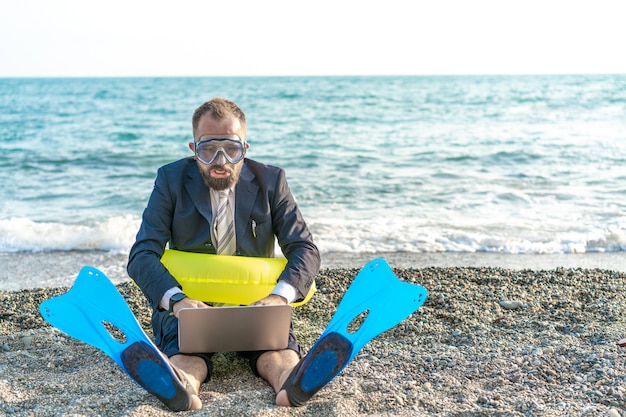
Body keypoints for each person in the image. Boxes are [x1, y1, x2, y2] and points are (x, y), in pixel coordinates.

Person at [127, 97, 320, 411]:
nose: (220, 160)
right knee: (188, 355)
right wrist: (177, 301)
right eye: (208, 149)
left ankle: (290, 382)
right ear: (194, 149)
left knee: (276, 352)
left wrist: (278, 298)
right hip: (189, 306)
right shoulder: (170, 181)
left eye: (231, 148)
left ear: (245, 147)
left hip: (255, 303)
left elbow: (304, 249)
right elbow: (142, 255)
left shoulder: (272, 181)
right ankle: (182, 387)